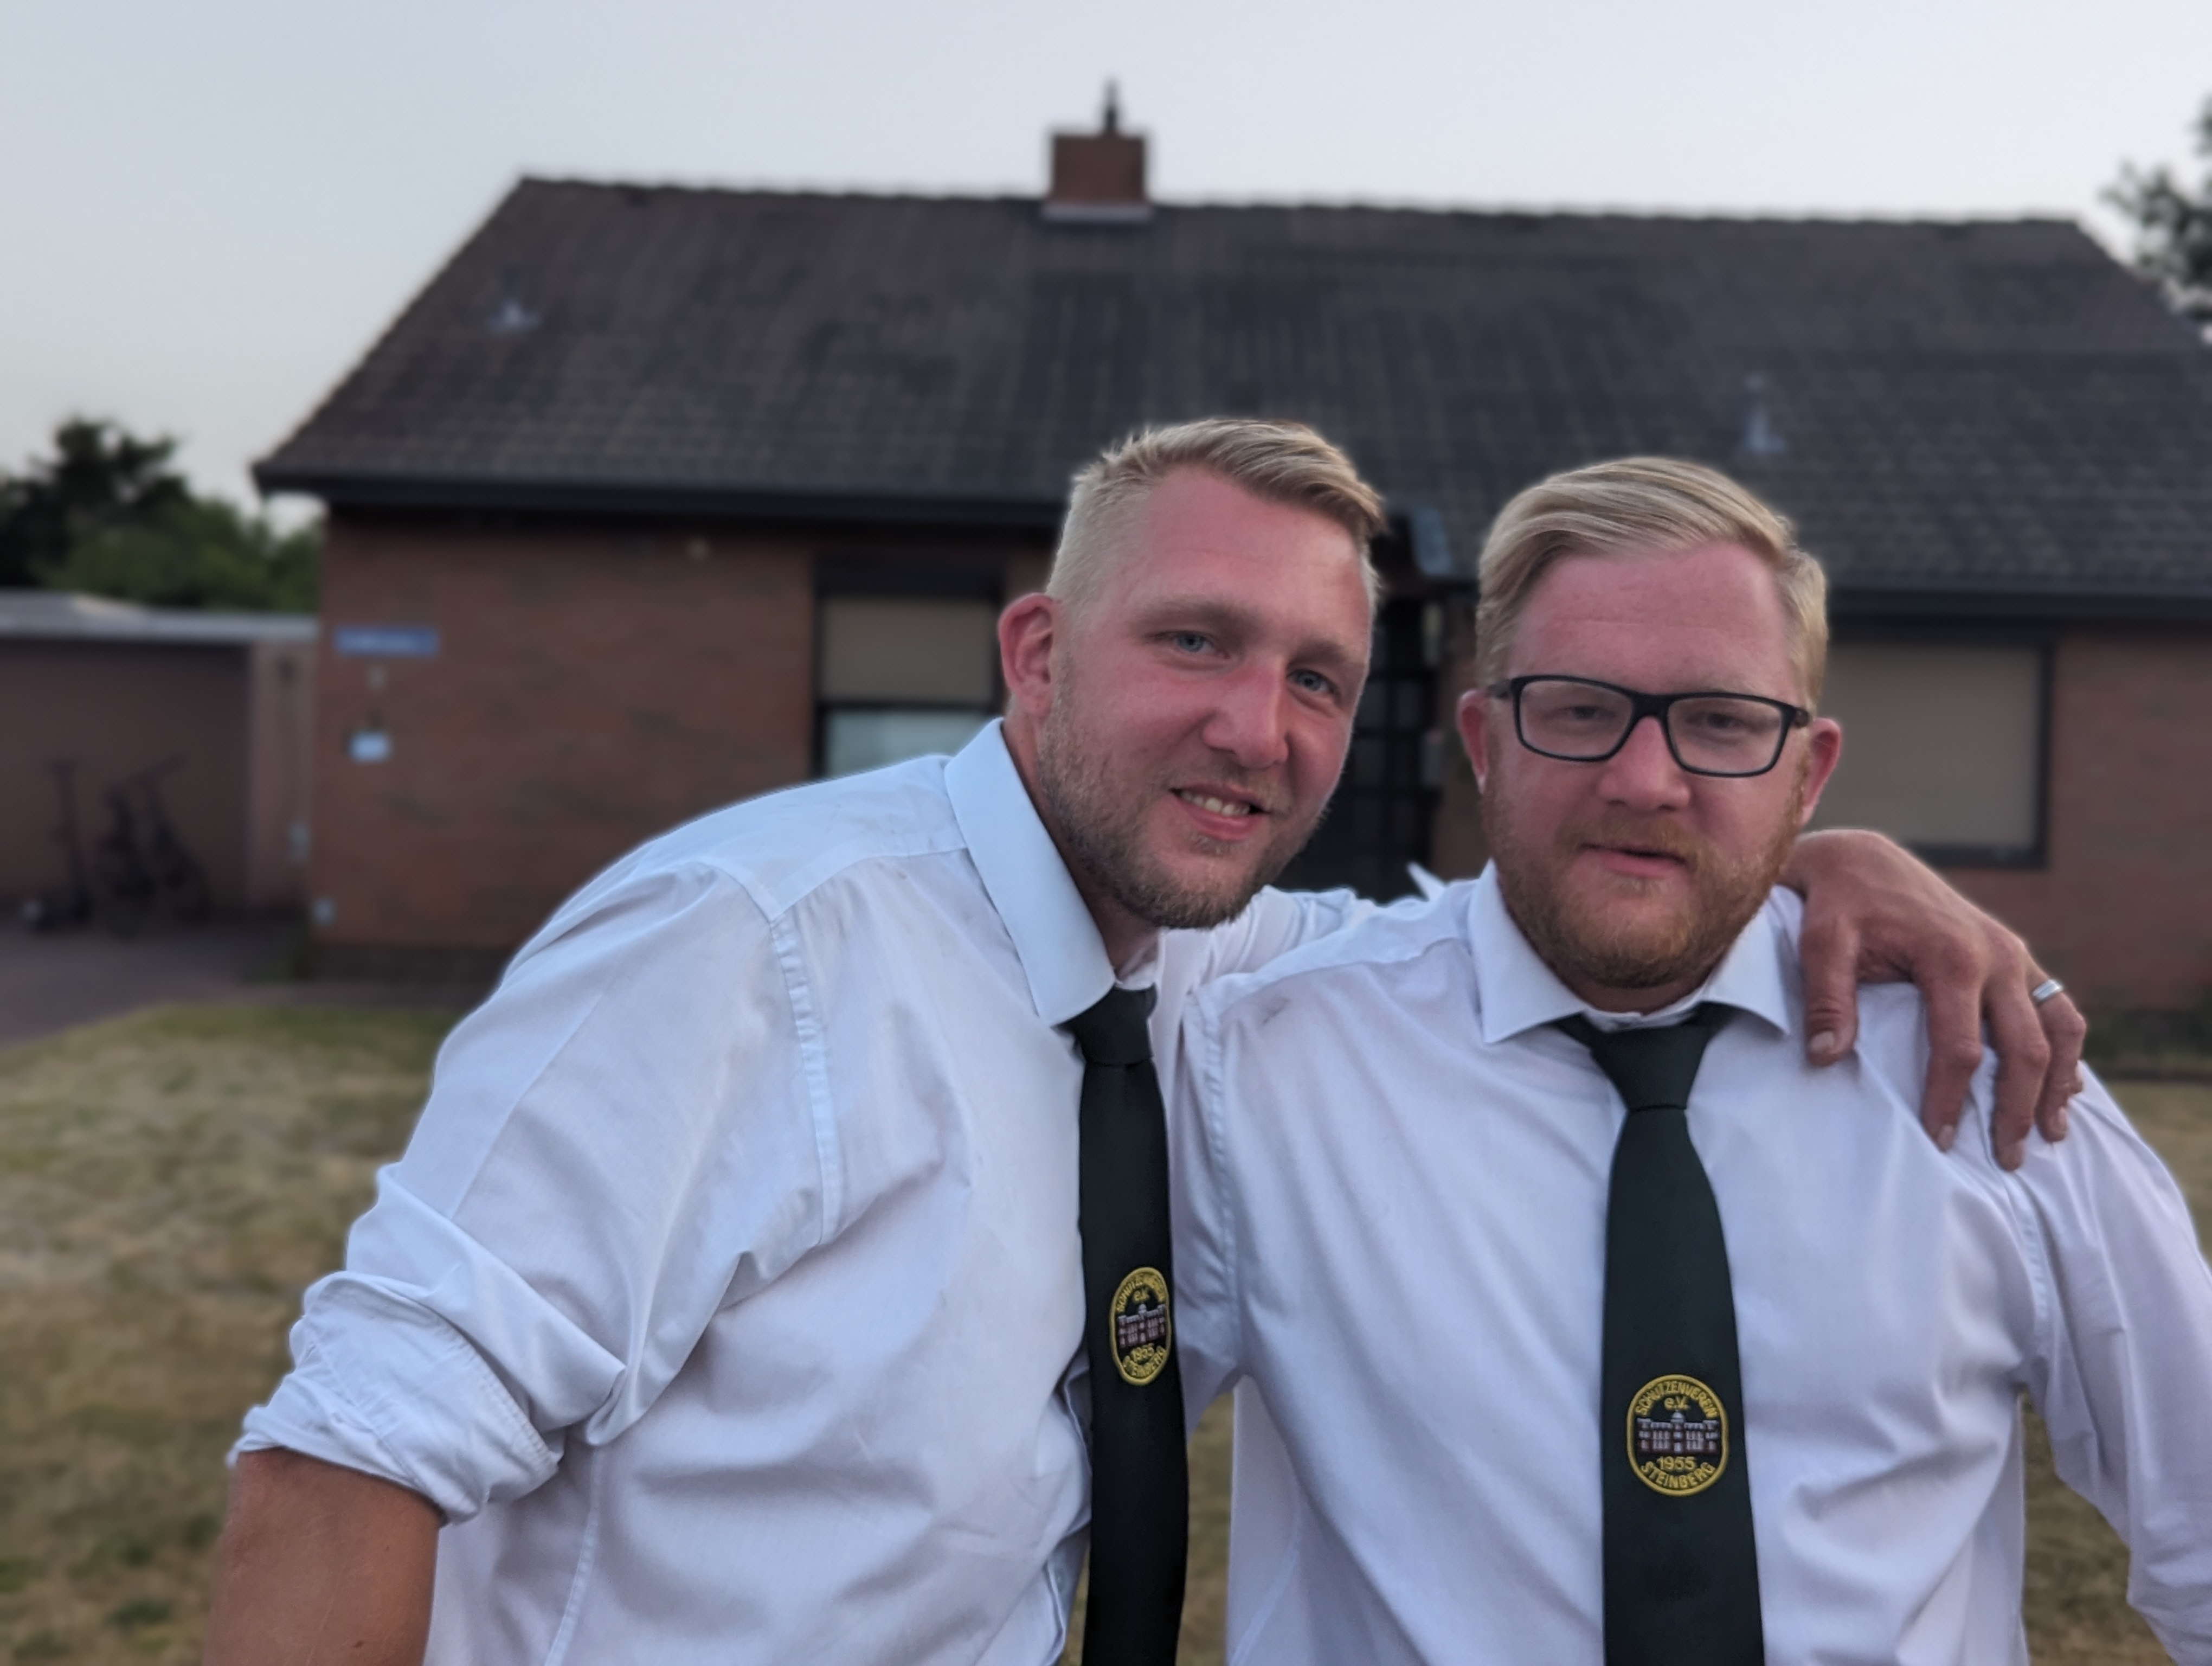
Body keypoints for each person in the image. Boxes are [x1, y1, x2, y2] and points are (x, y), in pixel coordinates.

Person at [205, 424, 2081, 1666]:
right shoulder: (753, 947)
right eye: (1195, 642)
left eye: (1317, 678)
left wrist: (1804, 857)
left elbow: (1549, 903)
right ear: (1036, 654)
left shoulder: (1214, 967)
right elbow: (343, 1466)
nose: (1256, 730)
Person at [1174, 457, 2211, 1664]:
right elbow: (1036, 1486)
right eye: (1579, 709)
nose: (1645, 781)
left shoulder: (1983, 1069)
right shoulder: (1267, 1069)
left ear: (1809, 773)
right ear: (1486, 741)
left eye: (1721, 721)